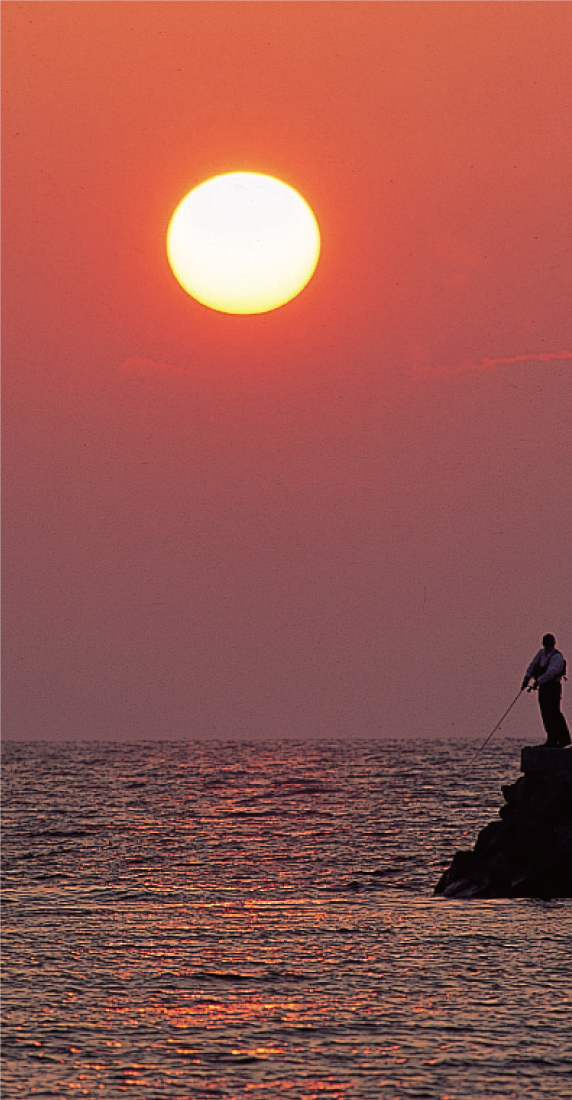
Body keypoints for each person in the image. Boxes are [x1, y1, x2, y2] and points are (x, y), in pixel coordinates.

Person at [521, 633, 570, 747]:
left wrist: (538, 681)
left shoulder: (557, 657)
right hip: (543, 688)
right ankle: (551, 739)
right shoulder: (541, 654)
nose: (547, 647)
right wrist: (527, 678)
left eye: (549, 645)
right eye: (546, 645)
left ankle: (564, 739)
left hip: (553, 688)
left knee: (554, 712)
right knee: (545, 713)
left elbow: (551, 672)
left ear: (553, 644)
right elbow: (533, 665)